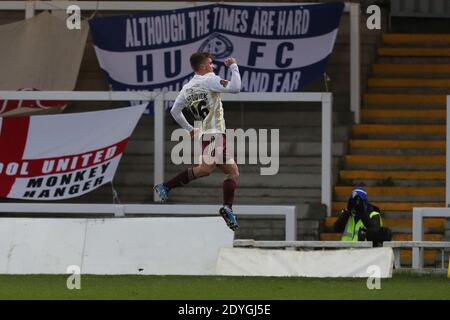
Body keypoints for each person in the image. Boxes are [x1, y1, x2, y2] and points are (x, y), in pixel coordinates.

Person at [154, 52, 241, 231]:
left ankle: (228, 207)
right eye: (210, 63)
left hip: (206, 135)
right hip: (215, 134)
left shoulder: (187, 88)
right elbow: (235, 87)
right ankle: (166, 186)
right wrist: (233, 67)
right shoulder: (209, 80)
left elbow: (174, 112)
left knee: (233, 171)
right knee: (205, 169)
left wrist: (189, 129)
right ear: (202, 67)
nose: (213, 66)